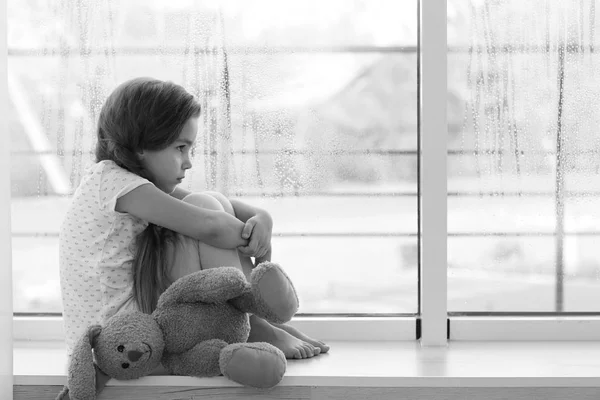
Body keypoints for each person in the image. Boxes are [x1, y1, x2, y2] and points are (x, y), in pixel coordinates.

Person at [58, 77, 329, 370]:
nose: (188, 162)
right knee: (205, 208)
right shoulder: (113, 184)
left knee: (210, 200)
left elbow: (219, 209)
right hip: (122, 342)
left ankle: (255, 321)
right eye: (180, 148)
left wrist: (261, 218)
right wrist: (250, 237)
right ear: (141, 146)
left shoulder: (120, 181)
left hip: (134, 326)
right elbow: (209, 226)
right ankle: (254, 323)